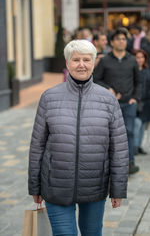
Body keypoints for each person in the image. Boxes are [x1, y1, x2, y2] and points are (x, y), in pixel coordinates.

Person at [28, 39, 129, 236]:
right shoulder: (49, 97)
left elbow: (119, 147)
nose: (81, 65)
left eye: (86, 59)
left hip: (95, 184)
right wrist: (35, 184)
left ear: (93, 63)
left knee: (92, 233)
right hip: (56, 184)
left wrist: (118, 189)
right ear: (67, 63)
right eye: (75, 60)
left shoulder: (108, 99)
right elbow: (37, 145)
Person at [93, 27, 141, 175]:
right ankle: (109, 164)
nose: (122, 41)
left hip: (128, 104)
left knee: (129, 132)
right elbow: (96, 79)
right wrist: (108, 89)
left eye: (124, 39)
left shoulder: (132, 60)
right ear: (112, 42)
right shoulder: (105, 60)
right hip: (109, 105)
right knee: (109, 134)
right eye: (118, 39)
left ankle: (129, 162)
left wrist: (135, 98)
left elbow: (139, 82)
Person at [133, 49, 150, 155]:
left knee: (143, 125)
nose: (140, 60)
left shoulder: (147, 71)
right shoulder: (132, 70)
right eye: (138, 57)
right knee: (136, 123)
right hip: (135, 101)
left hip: (147, 102)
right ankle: (134, 146)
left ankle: (139, 146)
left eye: (142, 57)